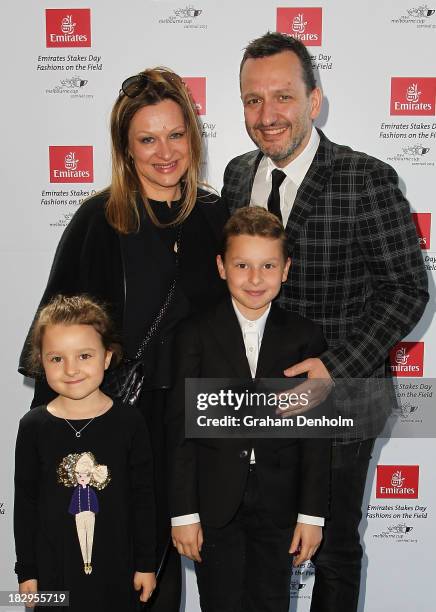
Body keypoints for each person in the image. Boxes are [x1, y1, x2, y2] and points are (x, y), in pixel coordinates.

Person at [220, 32, 429, 612]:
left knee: (332, 551)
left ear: (315, 100)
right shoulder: (238, 177)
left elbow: (407, 289)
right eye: (253, 100)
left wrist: (333, 368)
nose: (268, 115)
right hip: (257, 404)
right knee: (262, 542)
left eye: (282, 97)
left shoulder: (367, 178)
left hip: (342, 402)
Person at [18, 67, 228, 611]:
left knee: (179, 576)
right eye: (147, 139)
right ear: (125, 148)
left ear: (193, 137)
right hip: (118, 429)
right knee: (118, 577)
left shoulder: (214, 216)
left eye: (176, 134)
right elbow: (56, 337)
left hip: (198, 430)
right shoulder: (97, 221)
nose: (165, 152)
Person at [167, 207, 331, 612]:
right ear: (221, 267)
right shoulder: (194, 333)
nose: (255, 279)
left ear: (286, 269)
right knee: (220, 602)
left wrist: (312, 515)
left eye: (268, 266)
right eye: (242, 265)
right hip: (214, 501)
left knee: (272, 602)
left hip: (280, 503)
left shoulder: (304, 336)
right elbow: (180, 431)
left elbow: (315, 435)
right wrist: (183, 513)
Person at [14, 295, 156, 611]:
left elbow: (144, 499)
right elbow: (26, 504)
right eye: (56, 358)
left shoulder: (129, 422)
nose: (71, 369)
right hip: (53, 576)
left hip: (117, 573)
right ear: (40, 360)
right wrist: (27, 571)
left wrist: (146, 564)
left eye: (84, 356)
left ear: (107, 357)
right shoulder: (33, 426)